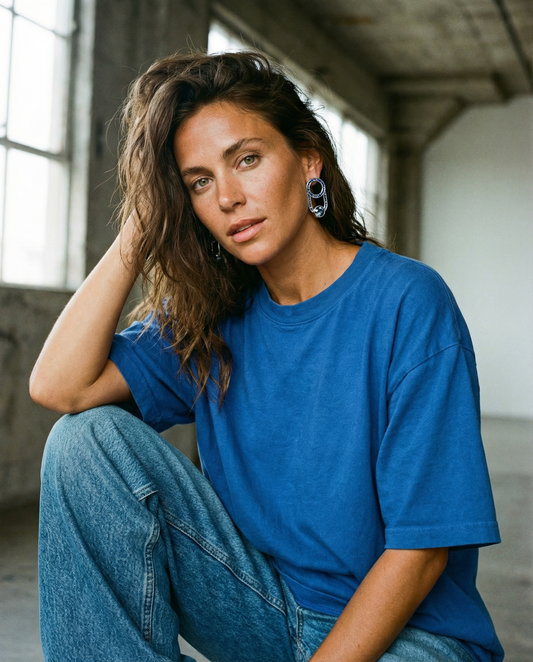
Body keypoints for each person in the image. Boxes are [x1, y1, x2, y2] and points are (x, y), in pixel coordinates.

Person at [30, 51, 504, 662]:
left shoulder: (407, 301)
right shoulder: (211, 314)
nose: (227, 196)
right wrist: (142, 225)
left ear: (308, 159)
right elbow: (60, 387)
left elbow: (421, 552)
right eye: (200, 182)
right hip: (266, 609)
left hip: (410, 636)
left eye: (246, 159)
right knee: (83, 442)